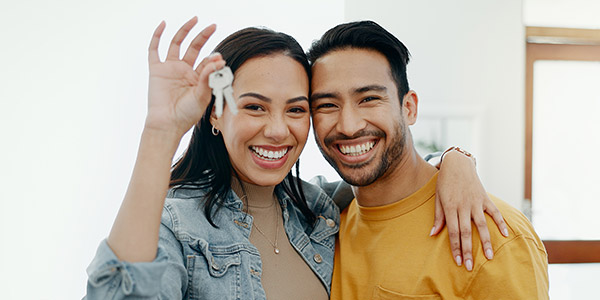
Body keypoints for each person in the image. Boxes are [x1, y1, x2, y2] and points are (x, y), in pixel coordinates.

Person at [85, 17, 506, 299]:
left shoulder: (318, 210)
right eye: (254, 106)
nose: (277, 129)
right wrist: (160, 133)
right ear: (215, 112)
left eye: (297, 108)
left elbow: (388, 170)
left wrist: (454, 160)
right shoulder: (179, 223)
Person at [307, 20, 549, 299]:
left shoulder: (493, 235)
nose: (348, 126)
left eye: (369, 99)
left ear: (408, 108)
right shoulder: (320, 223)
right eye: (327, 105)